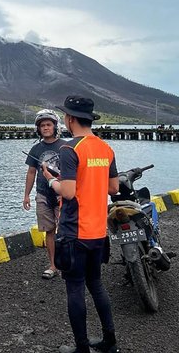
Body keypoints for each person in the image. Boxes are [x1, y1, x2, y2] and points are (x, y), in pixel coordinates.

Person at [43, 96, 120, 353]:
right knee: (96, 285)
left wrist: (51, 180)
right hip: (98, 231)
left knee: (75, 288)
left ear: (70, 119)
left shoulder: (70, 149)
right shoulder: (105, 149)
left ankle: (82, 347)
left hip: (74, 231)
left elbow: (67, 192)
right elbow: (113, 187)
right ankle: (109, 341)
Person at [23, 109, 66, 279]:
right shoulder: (36, 149)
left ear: (55, 126)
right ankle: (53, 265)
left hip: (62, 193)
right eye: (42, 125)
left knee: (66, 229)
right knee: (49, 230)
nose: (46, 128)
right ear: (38, 129)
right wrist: (26, 195)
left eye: (49, 125)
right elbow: (31, 173)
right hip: (42, 194)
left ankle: (69, 262)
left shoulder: (65, 146)